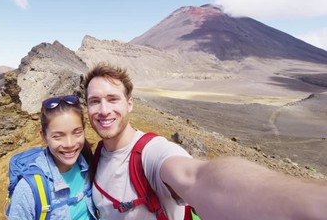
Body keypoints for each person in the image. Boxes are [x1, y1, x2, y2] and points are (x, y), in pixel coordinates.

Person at [84, 62, 327, 220]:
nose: (104, 110)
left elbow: (198, 177)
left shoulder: (151, 153)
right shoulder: (96, 156)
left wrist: (308, 205)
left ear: (130, 103)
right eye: (95, 101)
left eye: (112, 99)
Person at [8, 95, 98, 220]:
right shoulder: (28, 189)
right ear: (44, 137)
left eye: (77, 132)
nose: (70, 144)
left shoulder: (89, 163)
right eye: (58, 136)